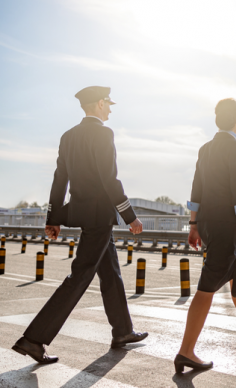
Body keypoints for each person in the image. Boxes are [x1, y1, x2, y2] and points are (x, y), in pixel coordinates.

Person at [12, 86, 148, 365]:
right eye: (108, 104)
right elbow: (110, 179)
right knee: (79, 277)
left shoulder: (68, 136)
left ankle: (123, 331)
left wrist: (53, 218)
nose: (110, 109)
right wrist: (130, 215)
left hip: (82, 213)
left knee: (110, 272)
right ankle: (33, 339)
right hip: (99, 216)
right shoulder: (103, 134)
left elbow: (59, 179)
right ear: (99, 104)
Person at [175, 98, 236, 374]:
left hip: (207, 223)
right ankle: (186, 351)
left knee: (235, 274)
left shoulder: (205, 148)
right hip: (222, 225)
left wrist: (193, 224)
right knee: (208, 286)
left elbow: (196, 188)